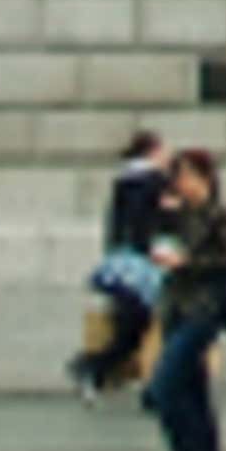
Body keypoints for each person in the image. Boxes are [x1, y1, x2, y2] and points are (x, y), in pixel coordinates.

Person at [142, 147, 226, 451]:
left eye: (187, 175)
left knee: (165, 386)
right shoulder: (177, 215)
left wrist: (187, 262)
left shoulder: (220, 217)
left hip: (205, 309)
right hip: (176, 307)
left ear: (205, 178)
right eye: (178, 176)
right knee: (192, 388)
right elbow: (149, 236)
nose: (181, 183)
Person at [72, 129, 176, 397]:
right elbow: (153, 224)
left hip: (121, 262)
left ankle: (98, 369)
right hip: (144, 264)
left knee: (131, 323)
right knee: (148, 323)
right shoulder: (155, 182)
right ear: (153, 152)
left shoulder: (124, 181)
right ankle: (96, 367)